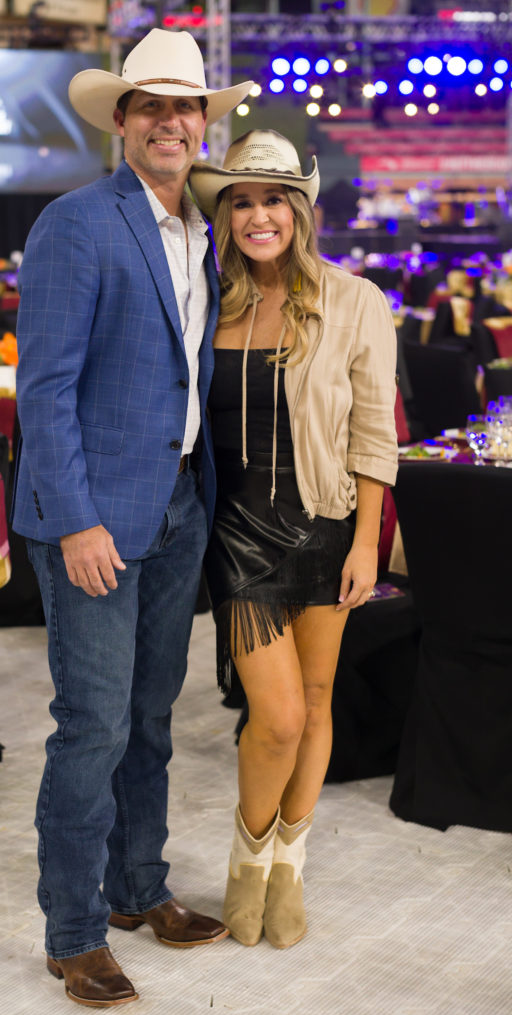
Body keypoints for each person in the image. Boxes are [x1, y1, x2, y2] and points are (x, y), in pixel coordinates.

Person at [10, 29, 252, 1009]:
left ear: (203, 123)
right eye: (150, 105)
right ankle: (72, 934)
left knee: (149, 721)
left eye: (185, 106)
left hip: (174, 509)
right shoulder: (76, 223)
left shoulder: (199, 230)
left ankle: (134, 890)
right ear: (120, 120)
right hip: (92, 524)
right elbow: (45, 388)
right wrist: (72, 520)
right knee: (91, 730)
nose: (169, 121)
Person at [189, 130, 398, 949]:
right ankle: (247, 859)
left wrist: (367, 541)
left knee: (315, 705)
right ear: (226, 216)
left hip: (327, 523)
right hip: (236, 534)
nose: (257, 215)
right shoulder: (211, 300)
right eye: (241, 201)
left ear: (300, 209)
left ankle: (288, 865)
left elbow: (374, 431)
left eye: (273, 198)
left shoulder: (356, 300)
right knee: (273, 716)